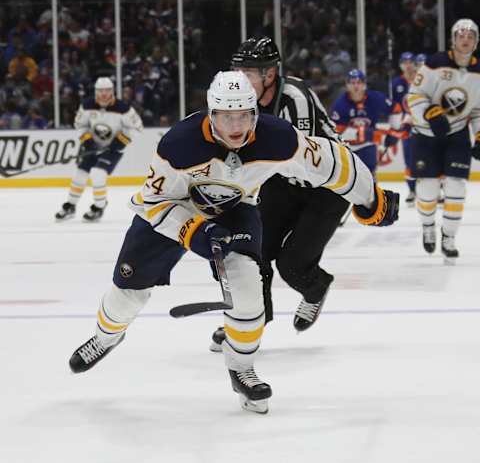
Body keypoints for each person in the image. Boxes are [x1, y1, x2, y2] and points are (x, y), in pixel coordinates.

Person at [68, 70, 399, 414]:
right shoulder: (178, 145)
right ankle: (106, 337)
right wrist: (192, 231)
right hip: (174, 209)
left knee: (247, 290)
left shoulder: (278, 138)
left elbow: (334, 162)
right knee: (126, 294)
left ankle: (242, 368)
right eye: (227, 116)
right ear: (212, 114)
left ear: (255, 112)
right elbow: (152, 203)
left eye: (244, 114)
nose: (237, 126)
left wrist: (369, 197)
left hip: (235, 208)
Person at [209, 36, 350, 354]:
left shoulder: (295, 98)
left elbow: (301, 158)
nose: (238, 79)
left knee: (292, 265)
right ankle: (251, 319)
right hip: (283, 183)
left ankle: (315, 288)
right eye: (236, 70)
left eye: (246, 73)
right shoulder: (242, 101)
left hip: (326, 187)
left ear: (269, 75)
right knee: (253, 252)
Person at [407, 18, 480, 264]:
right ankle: (428, 225)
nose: (466, 39)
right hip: (426, 134)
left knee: (456, 186)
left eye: (471, 35)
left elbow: (479, 110)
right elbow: (415, 95)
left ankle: (448, 237)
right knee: (426, 190)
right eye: (461, 34)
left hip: (457, 133)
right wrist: (430, 113)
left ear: (476, 41)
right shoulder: (435, 63)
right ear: (453, 38)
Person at [55, 77, 143, 222]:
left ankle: (99, 207)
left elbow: (137, 127)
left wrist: (119, 143)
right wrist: (88, 141)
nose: (104, 94)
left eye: (107, 90)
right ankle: (70, 206)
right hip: (93, 147)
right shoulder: (87, 105)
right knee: (80, 174)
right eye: (100, 91)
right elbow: (80, 125)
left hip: (113, 150)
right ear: (96, 92)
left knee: (97, 174)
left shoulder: (123, 109)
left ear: (112, 91)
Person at [331, 69, 402, 176]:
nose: (356, 86)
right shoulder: (340, 105)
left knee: (369, 178)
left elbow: (396, 109)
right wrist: (364, 133)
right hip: (346, 147)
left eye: (359, 82)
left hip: (367, 146)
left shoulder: (375, 98)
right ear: (347, 85)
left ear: (364, 84)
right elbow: (337, 131)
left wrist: (394, 131)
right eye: (352, 82)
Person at [391, 52, 418, 205]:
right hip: (406, 124)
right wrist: (397, 125)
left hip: (423, 124)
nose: (408, 65)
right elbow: (394, 106)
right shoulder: (396, 83)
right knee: (409, 159)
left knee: (428, 156)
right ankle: (412, 190)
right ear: (401, 65)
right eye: (404, 62)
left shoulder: (422, 80)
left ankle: (435, 190)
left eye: (410, 62)